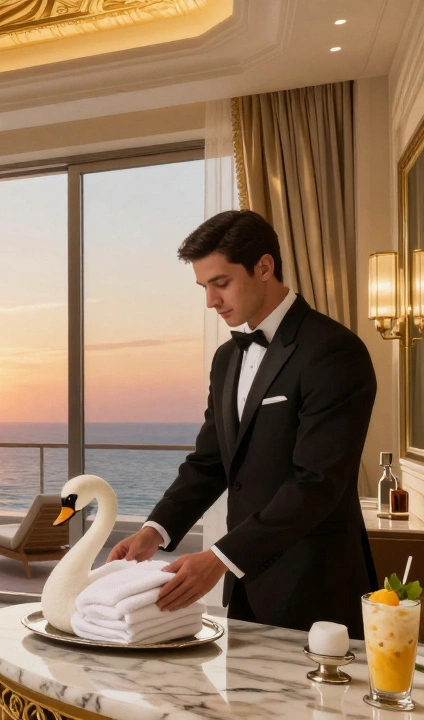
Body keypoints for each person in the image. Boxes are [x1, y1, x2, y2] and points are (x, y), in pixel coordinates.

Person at [107, 210, 377, 634]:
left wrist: (218, 558)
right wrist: (155, 530)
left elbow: (317, 482)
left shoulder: (334, 351)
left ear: (264, 267)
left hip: (317, 587)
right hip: (247, 585)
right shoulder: (226, 359)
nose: (211, 301)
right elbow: (209, 461)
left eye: (221, 283)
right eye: (204, 287)